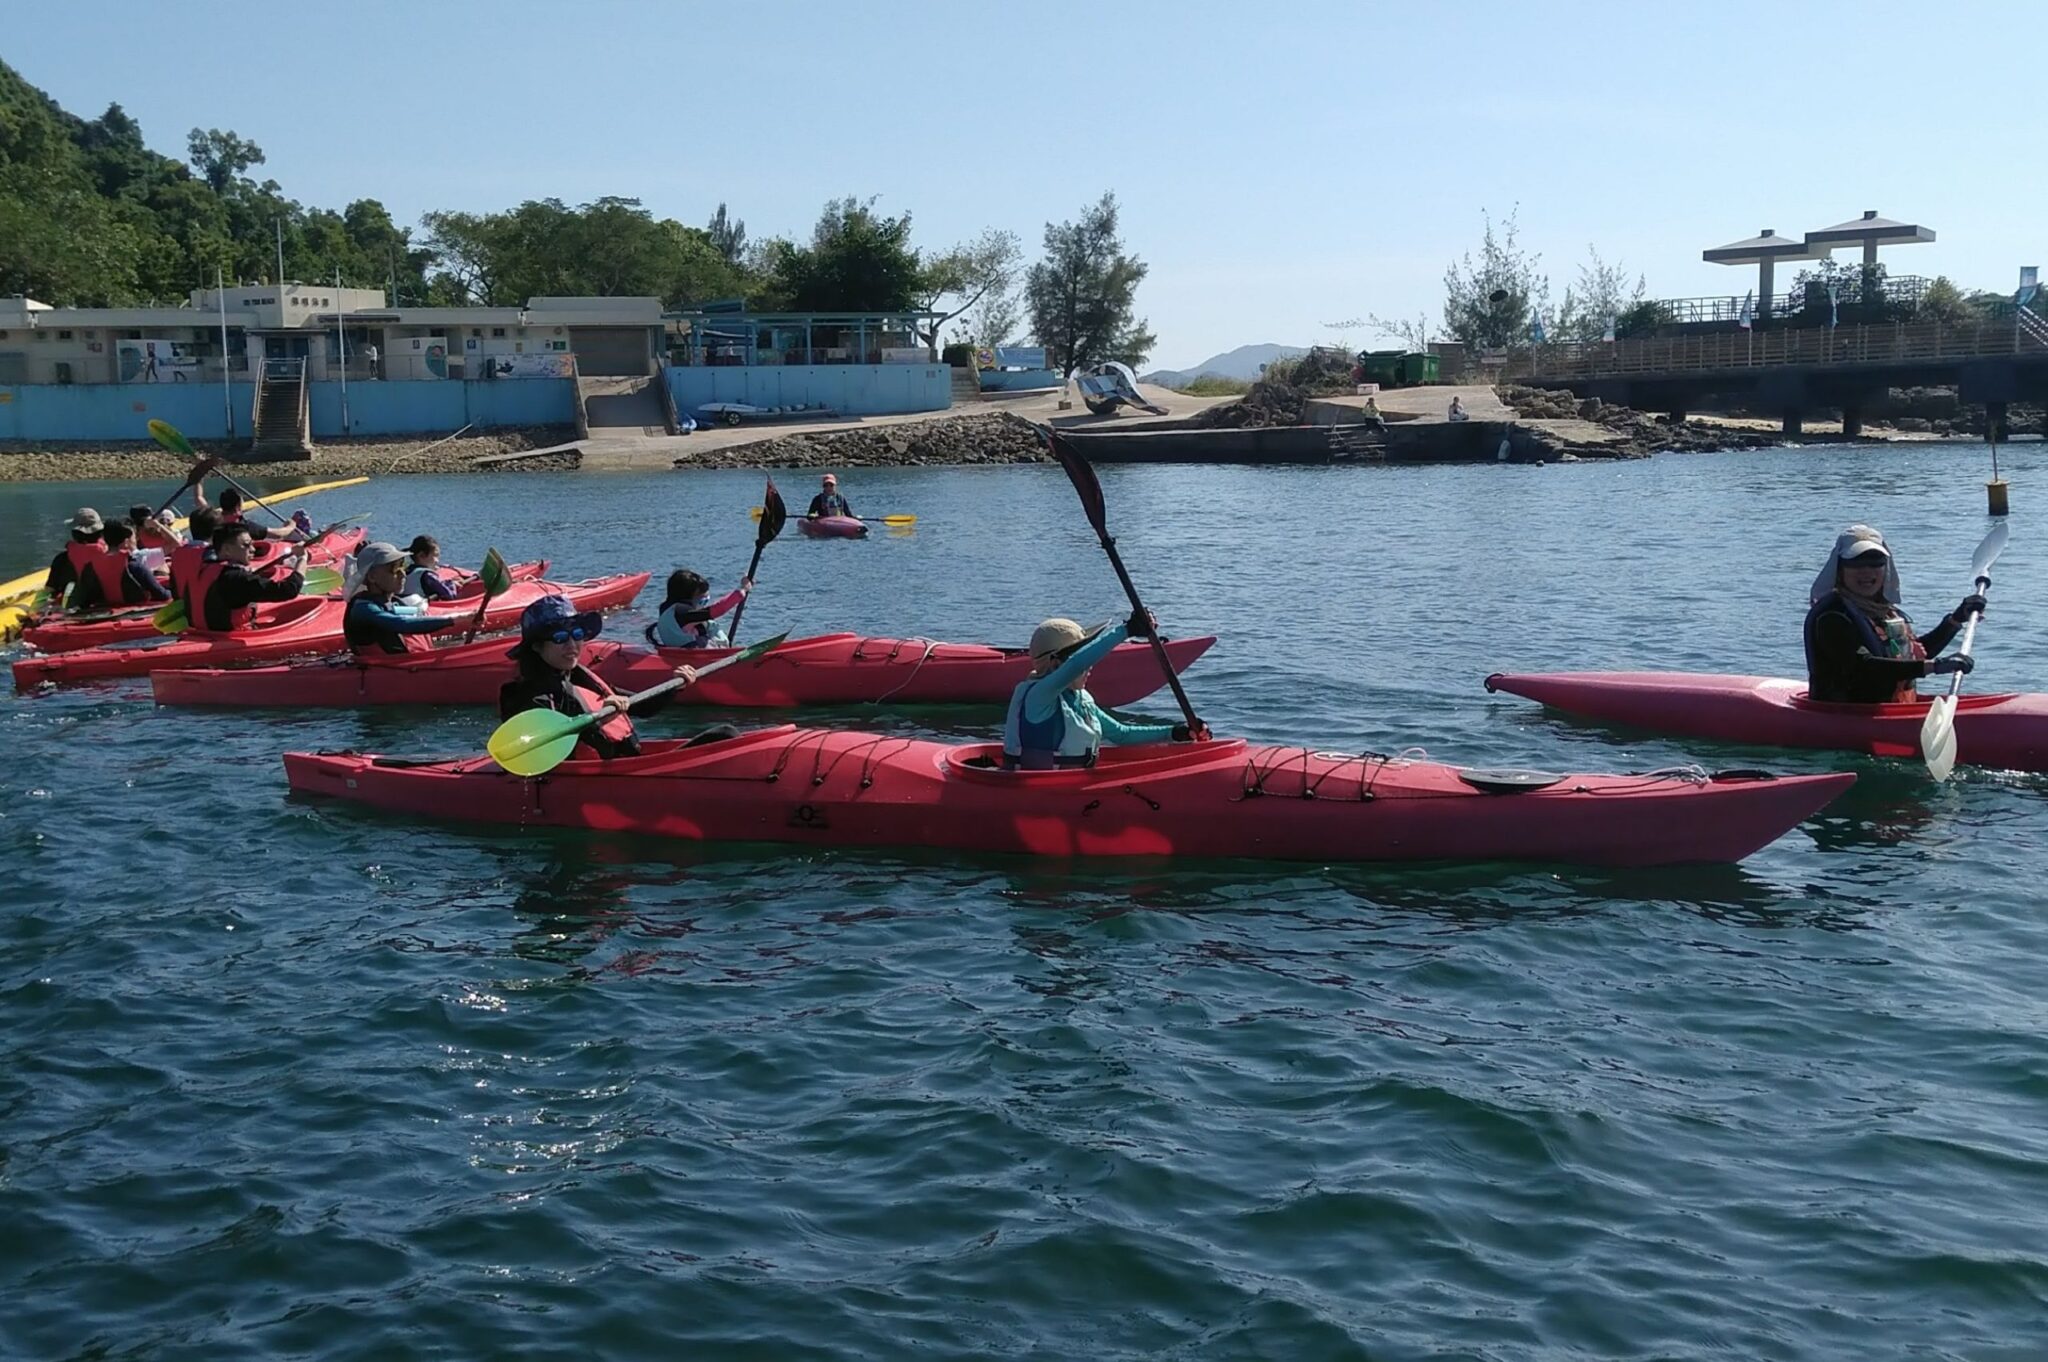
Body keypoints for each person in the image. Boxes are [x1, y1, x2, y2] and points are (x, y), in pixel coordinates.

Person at [499, 595, 700, 761]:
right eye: (559, 638)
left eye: (577, 634)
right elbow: (544, 753)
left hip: (624, 765)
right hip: (587, 782)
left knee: (725, 735)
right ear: (536, 646)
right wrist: (597, 719)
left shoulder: (580, 680)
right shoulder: (530, 698)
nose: (572, 645)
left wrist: (675, 685)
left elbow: (642, 707)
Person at [1804, 525, 1985, 704]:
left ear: (1886, 567)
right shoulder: (1832, 616)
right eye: (1856, 563)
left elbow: (1911, 657)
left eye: (1876, 562)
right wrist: (1935, 666)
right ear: (1840, 569)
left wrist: (1955, 620)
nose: (1866, 571)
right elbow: (1864, 667)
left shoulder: (1884, 611)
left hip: (1891, 709)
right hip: (1846, 715)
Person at [1002, 610, 1205, 769]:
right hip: (1039, 792)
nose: (1090, 668)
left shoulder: (1080, 699)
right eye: (1084, 659)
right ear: (1055, 665)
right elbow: (1076, 665)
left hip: (1072, 786)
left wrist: (1175, 733)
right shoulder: (1038, 697)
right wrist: (1126, 630)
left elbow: (1122, 734)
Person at [343, 542, 460, 656]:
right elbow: (402, 623)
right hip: (380, 671)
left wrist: (468, 617)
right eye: (394, 569)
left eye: (402, 566)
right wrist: (451, 621)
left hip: (400, 668)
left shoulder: (392, 603)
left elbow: (418, 613)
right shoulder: (364, 608)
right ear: (372, 577)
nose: (403, 574)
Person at [186, 522, 305, 632]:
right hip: (232, 638)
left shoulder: (204, 569)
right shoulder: (238, 579)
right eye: (246, 545)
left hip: (204, 634)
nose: (253, 549)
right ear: (227, 549)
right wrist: (302, 559)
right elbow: (289, 590)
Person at [68, 520, 171, 612]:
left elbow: (83, 600)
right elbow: (162, 595)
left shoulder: (90, 567)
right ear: (125, 542)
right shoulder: (135, 567)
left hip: (104, 610)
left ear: (104, 539)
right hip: (135, 612)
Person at [645, 569, 752, 648]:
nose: (704, 604)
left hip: (679, 654)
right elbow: (719, 609)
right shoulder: (682, 613)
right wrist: (742, 590)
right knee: (708, 624)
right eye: (702, 600)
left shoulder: (666, 609)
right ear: (688, 596)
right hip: (697, 657)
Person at [42, 507, 110, 605]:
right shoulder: (109, 556)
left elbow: (48, 591)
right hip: (102, 606)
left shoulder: (61, 560)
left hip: (72, 609)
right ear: (101, 533)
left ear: (74, 534)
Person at [168, 507, 222, 596]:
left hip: (184, 603)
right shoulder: (212, 554)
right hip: (205, 604)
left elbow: (174, 585)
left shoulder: (177, 552)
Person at [401, 535, 459, 603]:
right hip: (422, 608)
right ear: (421, 555)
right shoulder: (428, 575)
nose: (437, 560)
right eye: (435, 555)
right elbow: (450, 595)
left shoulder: (406, 571)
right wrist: (452, 584)